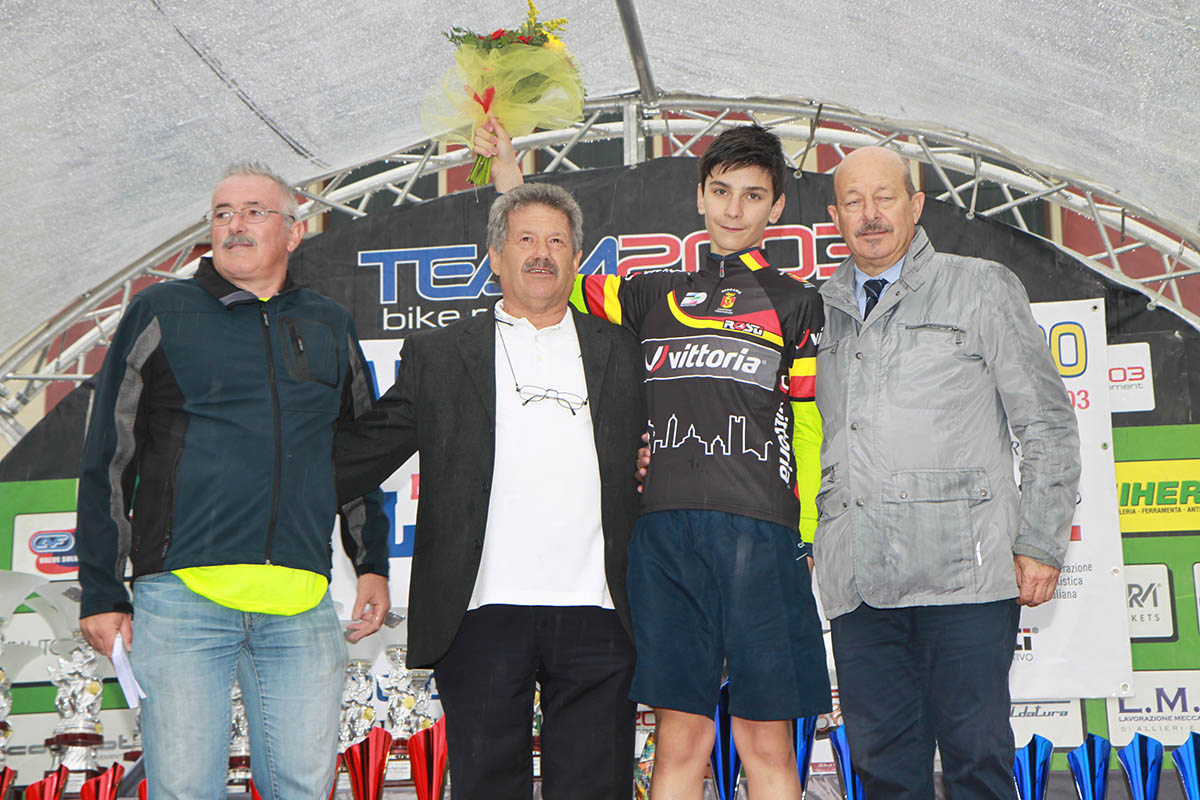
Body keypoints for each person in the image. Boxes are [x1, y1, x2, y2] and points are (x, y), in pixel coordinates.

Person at [475, 121, 831, 800]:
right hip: (664, 538)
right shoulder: (649, 294)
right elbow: (554, 278)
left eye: (753, 195)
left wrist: (807, 530)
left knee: (767, 744)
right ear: (699, 197)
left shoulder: (797, 303)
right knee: (680, 741)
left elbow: (810, 424)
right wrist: (510, 180)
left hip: (762, 536)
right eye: (721, 191)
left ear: (777, 207)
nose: (734, 209)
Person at [76, 162, 391, 800]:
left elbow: (354, 453)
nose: (235, 225)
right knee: (186, 790)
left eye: (253, 211)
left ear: (294, 232)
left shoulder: (329, 322)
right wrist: (101, 591)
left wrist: (372, 563)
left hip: (301, 601)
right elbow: (110, 453)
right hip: (182, 598)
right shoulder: (160, 310)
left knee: (304, 789)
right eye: (222, 213)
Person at [334, 182, 646, 800]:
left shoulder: (622, 350)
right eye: (525, 239)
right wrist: (260, 475)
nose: (541, 253)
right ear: (495, 257)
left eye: (557, 241)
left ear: (576, 259)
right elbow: (357, 457)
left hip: (601, 609)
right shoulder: (440, 354)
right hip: (479, 611)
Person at [815, 146, 1081, 799]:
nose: (870, 214)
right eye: (854, 201)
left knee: (976, 763)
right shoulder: (818, 311)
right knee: (883, 774)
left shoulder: (980, 286)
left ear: (915, 206)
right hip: (859, 587)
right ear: (835, 217)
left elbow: (1046, 422)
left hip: (964, 581)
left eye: (884, 197)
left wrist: (1040, 540)